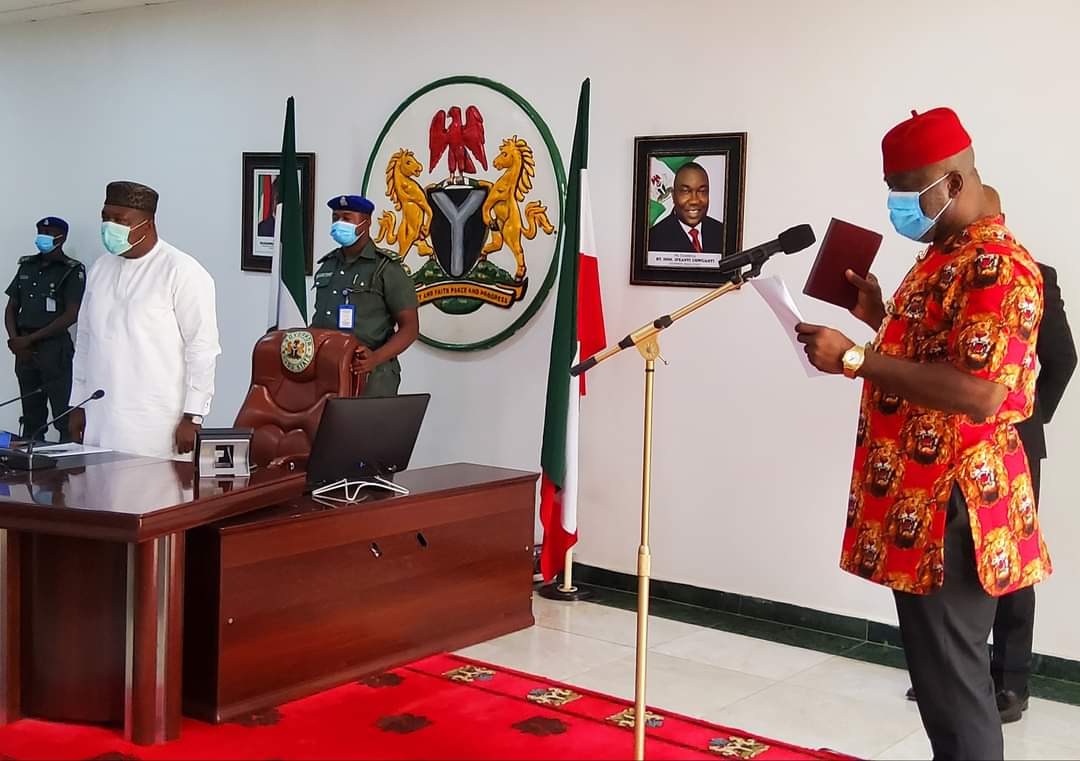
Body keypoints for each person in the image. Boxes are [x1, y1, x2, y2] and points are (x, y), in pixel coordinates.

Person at [796, 108, 1049, 761]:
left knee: (956, 691)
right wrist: (879, 315)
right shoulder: (950, 253)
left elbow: (978, 391)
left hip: (955, 505)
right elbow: (944, 353)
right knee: (942, 686)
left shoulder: (996, 265)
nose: (897, 207)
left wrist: (857, 357)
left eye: (908, 193)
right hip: (925, 496)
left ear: (955, 182)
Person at [904, 185, 1076, 723]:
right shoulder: (941, 272)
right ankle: (964, 676)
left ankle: (1011, 682)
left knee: (1007, 569)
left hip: (1011, 440)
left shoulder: (1026, 274)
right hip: (951, 443)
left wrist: (1025, 417)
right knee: (963, 578)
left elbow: (1063, 358)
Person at [69, 181, 221, 459]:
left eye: (120, 220)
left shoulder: (183, 271)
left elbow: (202, 349)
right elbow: (85, 340)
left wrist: (194, 416)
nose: (109, 226)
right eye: (106, 218)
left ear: (148, 224)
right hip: (100, 417)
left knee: (155, 499)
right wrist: (77, 403)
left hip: (155, 423)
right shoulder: (101, 268)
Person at [310, 195, 419, 396]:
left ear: (366, 223)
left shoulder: (386, 268)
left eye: (347, 218)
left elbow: (410, 327)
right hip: (327, 373)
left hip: (371, 375)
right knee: (326, 428)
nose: (339, 223)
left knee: (365, 428)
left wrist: (375, 358)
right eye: (335, 218)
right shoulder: (329, 264)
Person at [4, 217, 85, 441]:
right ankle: (31, 468)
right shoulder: (27, 265)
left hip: (54, 348)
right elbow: (11, 308)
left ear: (62, 237)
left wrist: (30, 340)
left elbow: (71, 314)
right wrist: (15, 340)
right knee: (31, 417)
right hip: (23, 349)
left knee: (63, 417)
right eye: (41, 231)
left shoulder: (71, 270)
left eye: (49, 232)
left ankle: (65, 472)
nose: (43, 236)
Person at [648, 162, 725, 253]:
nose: (694, 201)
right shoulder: (653, 239)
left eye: (702, 191)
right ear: (673, 196)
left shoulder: (723, 233)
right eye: (686, 191)